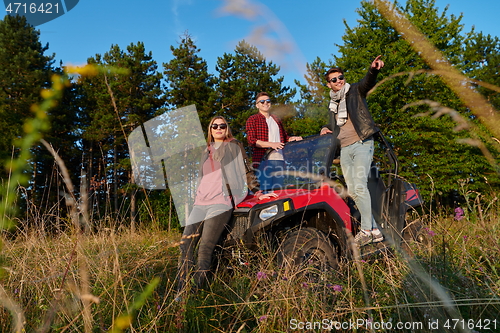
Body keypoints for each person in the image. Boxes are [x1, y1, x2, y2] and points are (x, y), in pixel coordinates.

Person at [176, 116, 276, 297]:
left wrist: (258, 191)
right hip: (200, 203)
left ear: (226, 128)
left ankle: (197, 295)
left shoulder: (233, 146)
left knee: (205, 248)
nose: (219, 128)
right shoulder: (205, 151)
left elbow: (247, 169)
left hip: (220, 202)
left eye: (222, 125)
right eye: (215, 125)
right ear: (210, 129)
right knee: (185, 245)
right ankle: (181, 291)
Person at [320, 55, 385, 247]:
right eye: (334, 79)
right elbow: (334, 125)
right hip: (345, 150)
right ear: (328, 85)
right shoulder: (333, 105)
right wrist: (325, 127)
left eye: (341, 77)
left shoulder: (355, 91)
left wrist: (373, 69)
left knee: (359, 186)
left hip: (362, 143)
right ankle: (373, 230)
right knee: (353, 191)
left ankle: (368, 230)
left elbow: (367, 82)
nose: (339, 81)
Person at [245, 92, 302, 191]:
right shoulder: (253, 119)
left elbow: (284, 137)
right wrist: (272, 144)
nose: (265, 103)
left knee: (279, 191)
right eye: (262, 101)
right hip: (263, 161)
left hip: (280, 160)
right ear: (257, 105)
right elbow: (252, 140)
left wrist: (292, 139)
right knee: (265, 191)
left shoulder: (276, 119)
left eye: (268, 101)